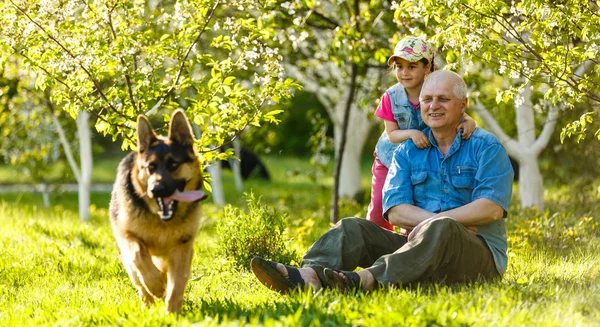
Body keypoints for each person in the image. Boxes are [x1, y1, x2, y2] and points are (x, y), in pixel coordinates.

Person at [250, 70, 513, 292]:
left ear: (463, 105)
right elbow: (396, 210)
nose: (434, 106)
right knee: (352, 227)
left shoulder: (486, 147)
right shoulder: (408, 151)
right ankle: (308, 276)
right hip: (416, 251)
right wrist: (439, 223)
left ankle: (367, 279)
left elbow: (491, 208)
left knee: (443, 228)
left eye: (443, 99)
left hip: (477, 258)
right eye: (427, 99)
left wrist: (444, 225)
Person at [367, 36, 477, 231]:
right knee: (380, 206)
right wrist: (412, 134)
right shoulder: (391, 97)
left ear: (427, 67)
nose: (404, 72)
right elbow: (392, 134)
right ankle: (375, 245)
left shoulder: (435, 91)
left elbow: (458, 112)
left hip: (420, 162)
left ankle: (408, 248)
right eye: (399, 67)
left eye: (412, 66)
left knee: (415, 206)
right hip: (388, 159)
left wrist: (469, 122)